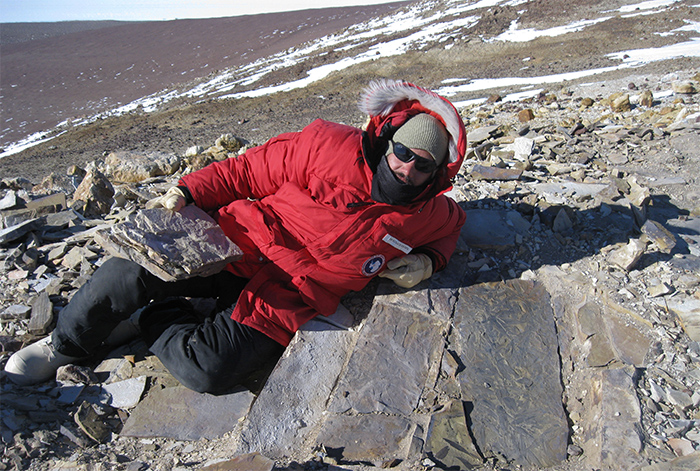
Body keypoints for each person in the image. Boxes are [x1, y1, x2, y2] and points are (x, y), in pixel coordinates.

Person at [4, 79, 467, 395]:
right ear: (388, 140)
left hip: (289, 293)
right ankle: (63, 345)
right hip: (237, 242)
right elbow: (244, 170)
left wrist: (429, 263)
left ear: (438, 171)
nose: (407, 167)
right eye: (402, 152)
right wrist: (187, 192)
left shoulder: (429, 212)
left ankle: (155, 316)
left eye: (423, 163)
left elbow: (450, 232)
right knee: (128, 271)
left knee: (208, 369)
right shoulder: (325, 146)